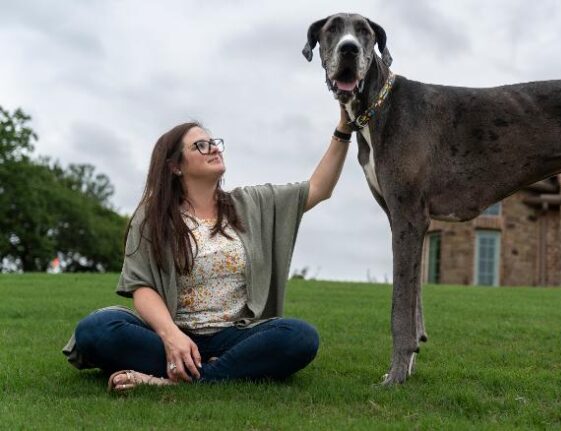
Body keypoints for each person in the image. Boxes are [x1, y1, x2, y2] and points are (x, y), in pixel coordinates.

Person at [63, 106, 353, 392]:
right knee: (95, 329)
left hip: (235, 335)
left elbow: (318, 188)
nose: (213, 149)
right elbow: (142, 287)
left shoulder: (251, 203)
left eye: (214, 143)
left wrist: (343, 129)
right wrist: (171, 335)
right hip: (171, 335)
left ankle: (175, 381)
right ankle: (215, 369)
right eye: (200, 146)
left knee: (300, 337)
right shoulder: (152, 216)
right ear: (175, 166)